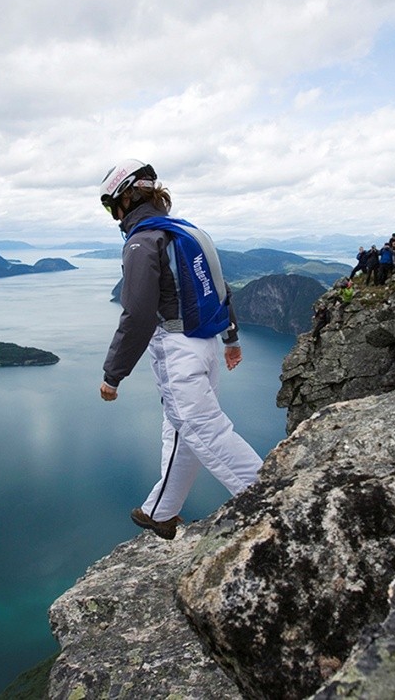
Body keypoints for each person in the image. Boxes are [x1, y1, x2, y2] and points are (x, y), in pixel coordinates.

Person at [98, 160, 263, 541]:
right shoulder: (190, 232)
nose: (112, 215)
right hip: (204, 343)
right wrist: (232, 339)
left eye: (111, 206)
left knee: (202, 429)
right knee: (180, 431)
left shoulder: (143, 241)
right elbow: (222, 289)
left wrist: (113, 374)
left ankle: (268, 496)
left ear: (127, 196)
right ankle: (162, 511)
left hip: (176, 348)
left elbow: (137, 314)